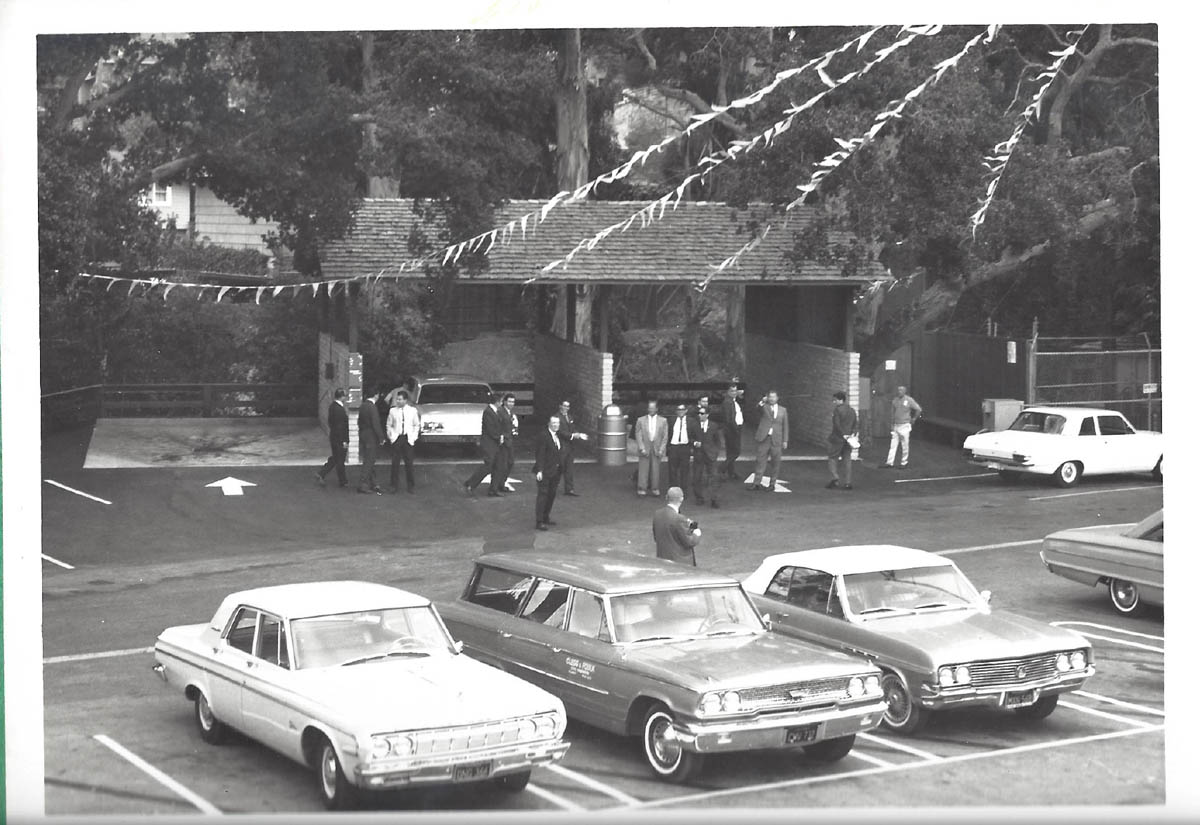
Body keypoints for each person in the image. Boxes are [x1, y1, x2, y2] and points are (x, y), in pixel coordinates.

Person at [464, 393, 506, 497]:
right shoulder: (488, 412)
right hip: (489, 443)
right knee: (488, 465)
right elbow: (491, 429)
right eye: (501, 401)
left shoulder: (495, 411)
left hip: (494, 443)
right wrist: (499, 437)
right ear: (497, 402)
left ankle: (493, 489)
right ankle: (471, 483)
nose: (502, 403)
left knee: (497, 466)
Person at [748, 390, 788, 491]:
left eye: (773, 397)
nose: (772, 399)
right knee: (760, 461)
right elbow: (757, 409)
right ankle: (756, 483)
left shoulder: (783, 410)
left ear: (777, 398)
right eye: (770, 397)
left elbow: (785, 426)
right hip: (764, 438)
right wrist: (762, 401)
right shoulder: (764, 407)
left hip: (777, 439)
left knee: (776, 462)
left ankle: (772, 483)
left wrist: (785, 440)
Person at [652, 487, 701, 566]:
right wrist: (696, 533)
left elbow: (656, 537)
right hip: (680, 562)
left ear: (667, 497)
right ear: (681, 499)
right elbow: (689, 542)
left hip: (662, 559)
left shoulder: (657, 514)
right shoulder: (679, 518)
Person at [533, 414, 566, 530]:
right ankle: (539, 521)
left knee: (551, 494)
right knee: (543, 495)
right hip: (545, 471)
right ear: (549, 424)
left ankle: (546, 516)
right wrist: (539, 470)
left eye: (557, 423)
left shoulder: (558, 435)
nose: (556, 425)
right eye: (554, 423)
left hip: (556, 471)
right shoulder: (543, 436)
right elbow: (540, 454)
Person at [386, 390, 421, 494]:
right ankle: (393, 486)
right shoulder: (393, 411)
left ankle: (411, 486)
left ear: (405, 400)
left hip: (408, 438)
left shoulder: (412, 411)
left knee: (409, 463)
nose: (398, 401)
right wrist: (392, 437)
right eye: (397, 399)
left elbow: (416, 425)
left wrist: (413, 437)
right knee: (395, 463)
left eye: (400, 399)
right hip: (397, 437)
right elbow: (389, 425)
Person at [881, 385, 923, 469]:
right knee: (893, 445)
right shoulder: (895, 400)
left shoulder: (909, 400)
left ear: (904, 391)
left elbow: (919, 409)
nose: (899, 391)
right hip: (896, 425)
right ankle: (889, 462)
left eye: (901, 390)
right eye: (898, 390)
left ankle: (904, 462)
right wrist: (892, 424)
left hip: (905, 425)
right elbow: (893, 413)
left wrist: (914, 418)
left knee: (905, 445)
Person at [691, 406, 724, 508]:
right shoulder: (694, 425)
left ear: (707, 415)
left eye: (702, 413)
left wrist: (715, 452)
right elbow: (690, 438)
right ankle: (699, 498)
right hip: (699, 454)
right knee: (697, 477)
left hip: (710, 455)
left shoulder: (713, 426)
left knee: (713, 477)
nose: (700, 415)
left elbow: (718, 441)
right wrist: (695, 443)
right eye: (699, 413)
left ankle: (714, 499)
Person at [316, 388, 349, 488]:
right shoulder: (340, 410)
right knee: (340, 460)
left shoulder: (332, 407)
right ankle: (342, 481)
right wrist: (344, 440)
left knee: (335, 457)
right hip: (339, 439)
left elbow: (331, 422)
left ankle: (322, 473)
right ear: (342, 397)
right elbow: (341, 427)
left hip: (334, 436)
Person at [634, 399, 668, 497]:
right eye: (649, 408)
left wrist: (661, 449)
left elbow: (665, 436)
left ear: (657, 409)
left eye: (653, 408)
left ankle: (655, 488)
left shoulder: (663, 420)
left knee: (655, 469)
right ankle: (642, 488)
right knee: (643, 468)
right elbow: (638, 434)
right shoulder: (640, 420)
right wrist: (641, 448)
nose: (651, 409)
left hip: (657, 447)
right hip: (645, 446)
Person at [826, 390, 858, 490]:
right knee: (847, 459)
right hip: (849, 439)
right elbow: (856, 424)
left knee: (832, 458)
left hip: (838, 438)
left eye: (835, 400)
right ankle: (848, 482)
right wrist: (852, 434)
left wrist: (842, 434)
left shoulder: (837, 410)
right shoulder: (852, 410)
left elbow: (837, 424)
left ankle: (835, 478)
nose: (834, 402)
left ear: (840, 400)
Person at [356, 388, 386, 494]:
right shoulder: (372, 407)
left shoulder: (363, 406)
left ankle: (374, 483)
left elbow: (359, 422)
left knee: (369, 459)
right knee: (369, 460)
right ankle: (363, 484)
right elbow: (376, 424)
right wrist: (381, 437)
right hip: (371, 436)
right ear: (376, 395)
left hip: (363, 434)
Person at [557, 399, 586, 496]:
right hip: (561, 445)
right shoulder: (556, 417)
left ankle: (569, 489)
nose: (566, 408)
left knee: (569, 468)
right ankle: (551, 487)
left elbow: (572, 428)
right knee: (559, 468)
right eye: (564, 406)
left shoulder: (570, 417)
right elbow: (559, 431)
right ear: (560, 406)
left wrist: (578, 433)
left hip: (570, 446)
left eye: (567, 406)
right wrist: (573, 436)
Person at [666, 403, 697, 495]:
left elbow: (695, 434)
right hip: (673, 447)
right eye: (679, 410)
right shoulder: (671, 420)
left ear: (686, 411)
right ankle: (673, 492)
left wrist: (693, 444)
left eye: (682, 409)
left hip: (685, 447)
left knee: (684, 470)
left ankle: (683, 491)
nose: (681, 411)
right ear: (676, 411)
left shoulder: (691, 421)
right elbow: (667, 434)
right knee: (672, 471)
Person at [719, 380, 745, 481]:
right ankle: (721, 469)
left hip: (734, 429)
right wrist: (736, 430)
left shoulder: (732, 401)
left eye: (735, 391)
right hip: (732, 430)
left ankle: (732, 473)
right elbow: (729, 419)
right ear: (728, 392)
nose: (734, 393)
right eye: (732, 391)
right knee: (736, 452)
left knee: (730, 453)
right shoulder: (727, 402)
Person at [494, 393, 520, 494]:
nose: (511, 404)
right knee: (502, 465)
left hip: (509, 441)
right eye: (509, 401)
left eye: (513, 402)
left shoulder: (511, 413)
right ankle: (497, 486)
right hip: (503, 442)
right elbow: (497, 425)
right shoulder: (500, 411)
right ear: (504, 402)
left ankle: (502, 483)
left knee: (510, 462)